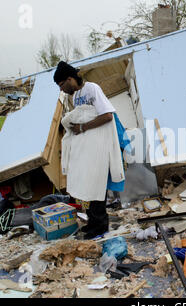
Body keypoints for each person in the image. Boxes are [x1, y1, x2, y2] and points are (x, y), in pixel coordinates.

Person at [53, 61, 125, 240]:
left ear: (70, 79)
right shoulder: (76, 96)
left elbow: (107, 116)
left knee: (95, 185)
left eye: (62, 84)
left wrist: (83, 127)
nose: (62, 89)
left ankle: (101, 226)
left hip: (98, 146)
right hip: (87, 148)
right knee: (87, 185)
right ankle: (92, 223)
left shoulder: (92, 88)